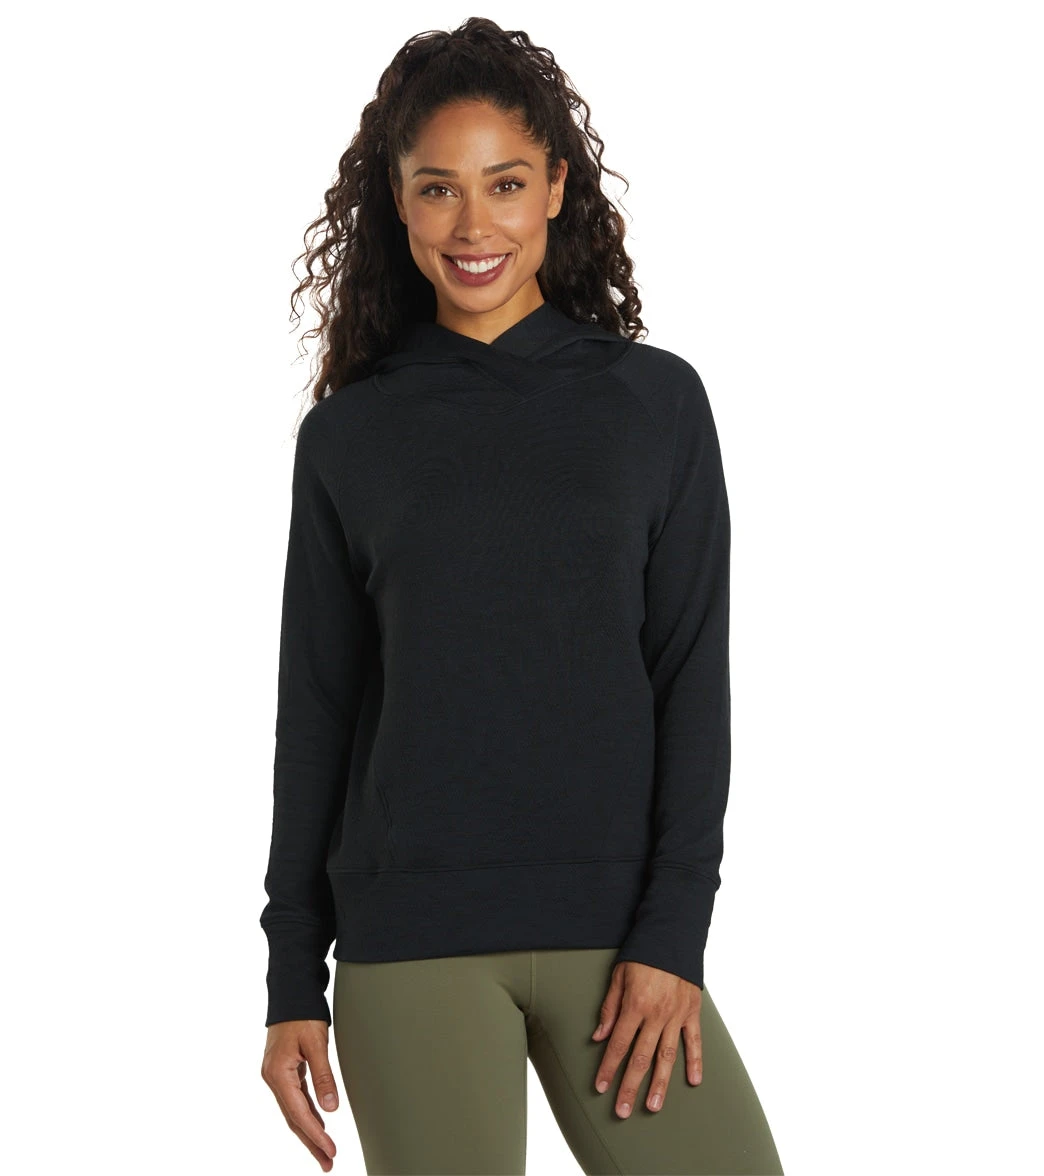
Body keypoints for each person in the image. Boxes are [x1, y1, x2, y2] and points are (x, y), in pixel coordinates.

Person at [259, 16, 783, 1176]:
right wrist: (293, 975)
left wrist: (674, 934)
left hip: (620, 938)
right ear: (398, 204)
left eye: (503, 183)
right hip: (410, 943)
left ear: (555, 185)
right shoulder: (349, 437)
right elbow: (319, 714)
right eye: (437, 188)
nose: (473, 224)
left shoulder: (655, 406)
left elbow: (690, 677)